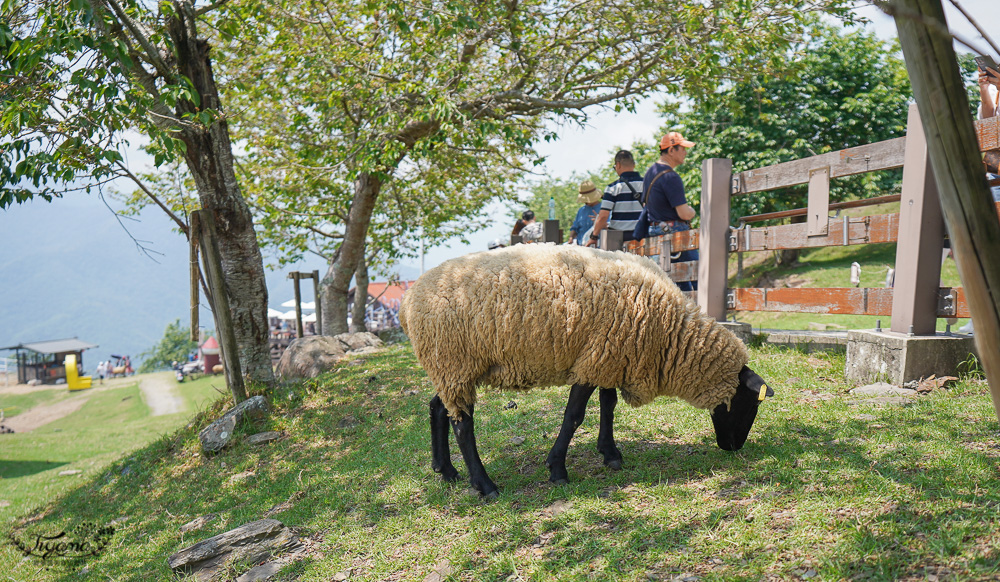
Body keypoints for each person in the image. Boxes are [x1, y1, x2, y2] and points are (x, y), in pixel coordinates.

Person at [643, 131, 699, 291]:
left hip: (655, 231)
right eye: (682, 148)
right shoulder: (671, 177)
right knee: (701, 275)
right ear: (671, 150)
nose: (685, 152)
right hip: (675, 232)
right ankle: (706, 313)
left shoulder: (649, 173)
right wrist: (692, 212)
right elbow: (683, 213)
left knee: (676, 283)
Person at [586, 150, 645, 247]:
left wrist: (594, 237)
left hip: (618, 239)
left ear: (618, 165)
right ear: (633, 165)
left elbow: (603, 216)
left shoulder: (613, 188)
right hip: (642, 238)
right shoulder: (647, 184)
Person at [569, 179, 602, 245]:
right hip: (581, 247)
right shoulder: (581, 211)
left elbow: (609, 227)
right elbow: (575, 227)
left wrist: (599, 222)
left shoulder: (604, 209)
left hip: (597, 247)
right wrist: (571, 237)